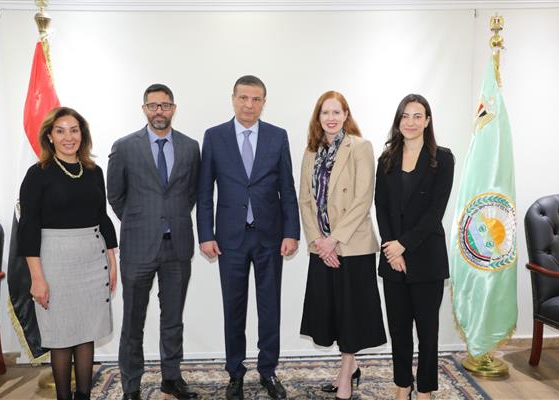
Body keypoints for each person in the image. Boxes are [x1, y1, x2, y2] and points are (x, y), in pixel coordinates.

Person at [197, 75, 300, 400]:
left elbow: (287, 188)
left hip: (270, 237)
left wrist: (291, 231)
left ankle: (268, 370)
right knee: (234, 308)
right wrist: (205, 234)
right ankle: (235, 373)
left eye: (256, 99)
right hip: (230, 240)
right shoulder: (214, 137)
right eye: (243, 97)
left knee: (270, 308)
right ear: (233, 98)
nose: (249, 104)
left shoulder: (277, 136)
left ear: (263, 102)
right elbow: (204, 191)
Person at [107, 84, 200, 400]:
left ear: (174, 108)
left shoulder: (190, 147)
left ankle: (171, 379)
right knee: (133, 321)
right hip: (138, 247)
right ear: (144, 109)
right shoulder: (124, 147)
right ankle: (131, 386)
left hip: (177, 246)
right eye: (153, 105)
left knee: (173, 320)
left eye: (165, 105)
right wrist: (141, 222)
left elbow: (190, 193)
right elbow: (115, 195)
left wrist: (170, 218)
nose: (159, 111)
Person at [18, 107, 118, 400]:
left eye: (74, 130)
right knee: (61, 335)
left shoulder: (94, 171)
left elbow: (102, 216)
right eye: (60, 131)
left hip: (92, 258)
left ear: (82, 134)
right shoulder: (38, 174)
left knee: (86, 332)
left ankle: (83, 395)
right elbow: (28, 227)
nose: (68, 137)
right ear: (49, 136)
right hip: (54, 261)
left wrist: (112, 260)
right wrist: (37, 277)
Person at [299, 91, 387, 400]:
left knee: (351, 314)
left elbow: (363, 199)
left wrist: (334, 240)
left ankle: (346, 374)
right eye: (325, 112)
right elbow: (305, 200)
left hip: (352, 246)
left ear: (346, 115)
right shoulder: (311, 151)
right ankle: (350, 367)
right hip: (322, 247)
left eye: (337, 112)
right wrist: (319, 242)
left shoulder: (360, 147)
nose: (331, 118)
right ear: (318, 117)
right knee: (331, 313)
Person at [375, 94, 455, 400]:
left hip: (426, 257)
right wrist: (391, 249)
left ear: (427, 121)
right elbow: (381, 207)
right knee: (398, 330)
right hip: (392, 259)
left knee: (427, 332)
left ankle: (425, 389)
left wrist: (403, 245)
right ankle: (402, 384)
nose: (410, 122)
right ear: (398, 121)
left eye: (417, 116)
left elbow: (435, 212)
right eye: (405, 116)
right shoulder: (386, 159)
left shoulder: (443, 159)